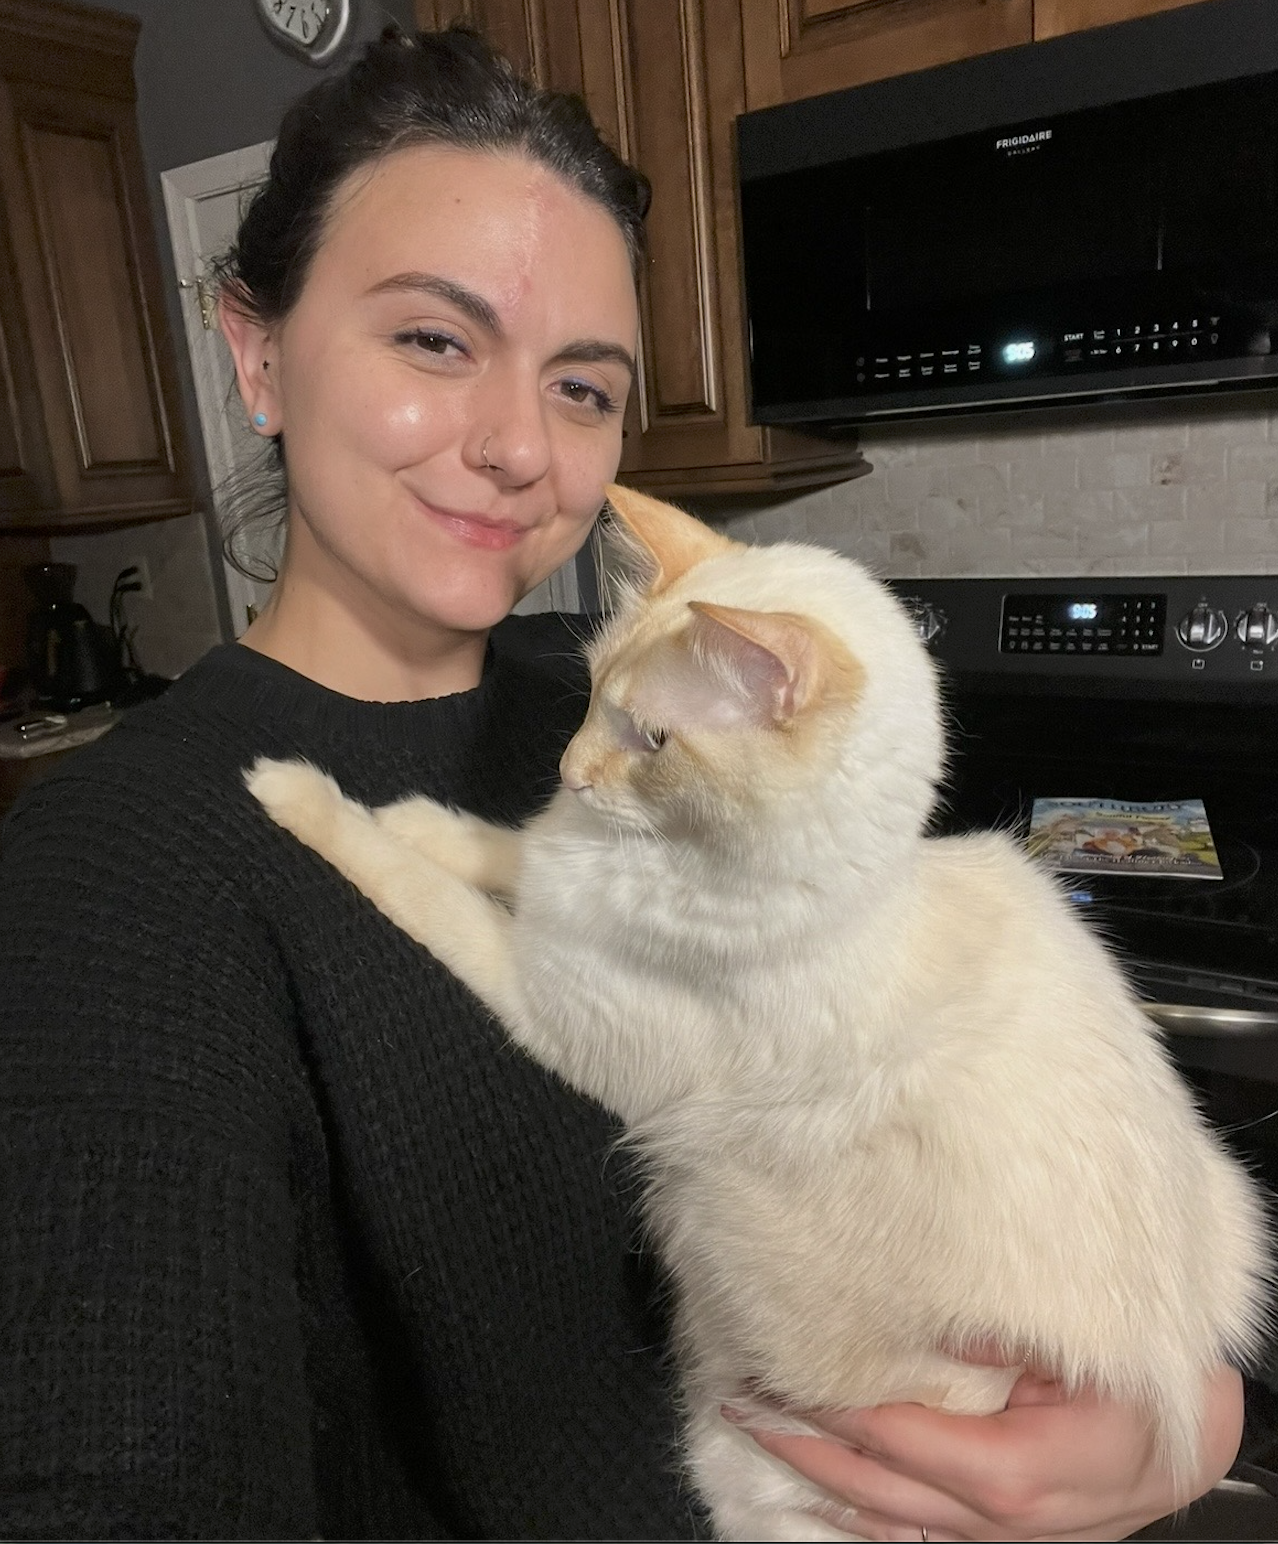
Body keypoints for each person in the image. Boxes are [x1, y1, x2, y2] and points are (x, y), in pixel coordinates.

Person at [0, 24, 1256, 1541]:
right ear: (257, 349)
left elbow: (1015, 1112)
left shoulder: (652, 717)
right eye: (433, 341)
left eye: (584, 388)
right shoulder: (120, 866)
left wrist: (1182, 1415)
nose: (520, 445)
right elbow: (118, 1469)